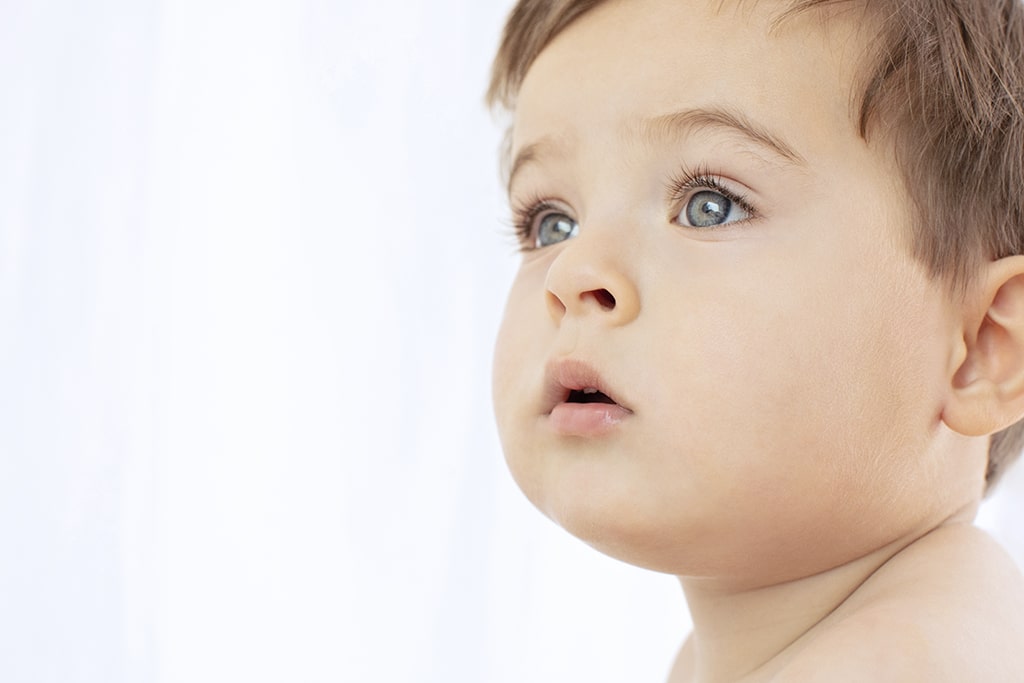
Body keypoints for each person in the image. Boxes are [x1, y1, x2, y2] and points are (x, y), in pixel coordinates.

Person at [486, 0, 1024, 679]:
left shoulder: (914, 660)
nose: (574, 272)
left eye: (710, 205)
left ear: (981, 347)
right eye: (550, 223)